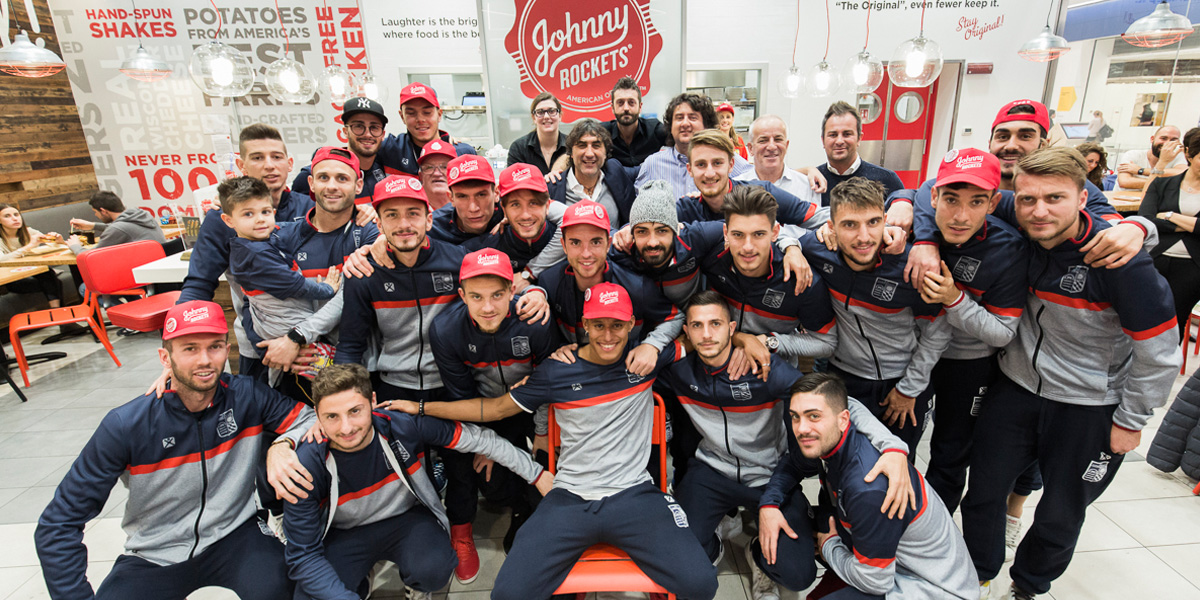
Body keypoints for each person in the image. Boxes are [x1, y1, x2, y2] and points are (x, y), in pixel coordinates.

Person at [383, 282, 721, 600]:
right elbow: (494, 409)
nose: (608, 335)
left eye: (617, 325)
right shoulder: (556, 370)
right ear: (585, 325)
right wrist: (422, 407)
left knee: (701, 582)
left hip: (634, 494)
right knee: (508, 594)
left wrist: (743, 340)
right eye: (598, 325)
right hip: (570, 497)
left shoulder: (643, 361)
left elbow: (700, 339)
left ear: (631, 325)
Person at [962, 147, 1180, 600]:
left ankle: (1027, 586)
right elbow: (933, 194)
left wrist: (1131, 420)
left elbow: (1159, 353)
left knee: (1061, 513)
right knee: (982, 493)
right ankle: (978, 575)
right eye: (1027, 199)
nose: (1039, 211)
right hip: (1017, 388)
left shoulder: (1117, 259)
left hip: (1090, 406)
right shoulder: (1022, 225)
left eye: (1054, 198)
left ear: (1083, 199)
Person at [34, 300, 317, 600]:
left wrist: (281, 444)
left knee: (293, 588)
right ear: (165, 358)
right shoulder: (127, 425)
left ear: (226, 350)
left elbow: (312, 419)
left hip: (236, 535)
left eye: (214, 347)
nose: (204, 360)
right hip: (155, 552)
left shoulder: (246, 396)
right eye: (190, 349)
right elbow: (58, 523)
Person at [660, 292, 914, 600]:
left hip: (768, 473)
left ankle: (757, 554)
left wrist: (893, 447)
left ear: (731, 327)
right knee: (676, 553)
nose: (707, 334)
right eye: (697, 326)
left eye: (715, 324)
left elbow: (835, 404)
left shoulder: (763, 366)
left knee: (797, 573)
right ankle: (716, 533)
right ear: (686, 332)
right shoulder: (679, 369)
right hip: (711, 471)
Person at [284, 363, 551, 600]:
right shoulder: (305, 463)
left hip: (405, 520)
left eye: (355, 411)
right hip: (344, 534)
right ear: (317, 414)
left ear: (373, 401)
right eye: (332, 416)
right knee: (311, 593)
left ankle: (415, 585)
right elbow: (303, 556)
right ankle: (359, 585)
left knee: (435, 567)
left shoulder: (401, 426)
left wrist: (536, 474)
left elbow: (480, 439)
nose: (346, 428)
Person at [762, 372, 979, 600]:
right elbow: (793, 464)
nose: (802, 428)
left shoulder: (868, 486)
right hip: (893, 562)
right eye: (795, 417)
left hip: (932, 588)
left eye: (813, 416)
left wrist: (830, 547)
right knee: (791, 549)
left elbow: (874, 581)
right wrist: (769, 504)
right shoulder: (833, 439)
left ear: (843, 419)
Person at [911, 148, 1037, 523]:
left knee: (950, 455)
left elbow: (1002, 333)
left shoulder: (1008, 249)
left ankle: (935, 534)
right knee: (898, 444)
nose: (961, 216)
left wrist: (953, 298)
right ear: (934, 196)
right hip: (910, 357)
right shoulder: (914, 230)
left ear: (993, 203)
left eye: (976, 202)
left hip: (970, 365)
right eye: (951, 199)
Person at [797, 178, 953, 453]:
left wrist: (909, 388)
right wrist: (790, 248)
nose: (864, 237)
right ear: (831, 227)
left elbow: (938, 331)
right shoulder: (818, 250)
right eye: (849, 225)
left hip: (901, 383)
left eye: (872, 222)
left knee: (898, 462)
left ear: (885, 221)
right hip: (844, 379)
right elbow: (780, 237)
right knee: (839, 461)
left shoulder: (909, 265)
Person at [429, 248, 561, 557]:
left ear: (512, 291)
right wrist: (486, 444)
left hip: (536, 406)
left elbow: (549, 382)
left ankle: (536, 515)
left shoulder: (534, 320)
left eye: (497, 295)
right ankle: (518, 505)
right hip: (489, 411)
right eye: (477, 297)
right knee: (490, 480)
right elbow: (463, 397)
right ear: (462, 295)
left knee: (549, 464)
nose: (488, 307)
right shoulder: (446, 330)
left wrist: (542, 432)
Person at [178, 123, 317, 378]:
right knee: (260, 403)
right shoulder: (222, 219)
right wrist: (178, 346)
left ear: (289, 163)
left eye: (276, 157)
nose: (269, 165)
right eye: (257, 158)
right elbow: (198, 284)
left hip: (313, 338)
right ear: (242, 165)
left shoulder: (310, 208)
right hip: (260, 344)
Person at [222, 175, 341, 378]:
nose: (260, 219)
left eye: (265, 212)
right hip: (285, 327)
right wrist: (327, 289)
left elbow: (288, 228)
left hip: (276, 324)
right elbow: (296, 285)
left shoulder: (257, 240)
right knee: (321, 373)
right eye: (248, 214)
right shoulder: (256, 255)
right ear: (229, 220)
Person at [538, 200, 681, 361]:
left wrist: (651, 345)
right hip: (576, 367)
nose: (586, 253)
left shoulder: (635, 286)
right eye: (576, 243)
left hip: (626, 367)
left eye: (596, 242)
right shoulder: (549, 282)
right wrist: (560, 347)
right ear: (564, 245)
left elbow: (675, 317)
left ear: (608, 244)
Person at [1140, 127, 1200, 338]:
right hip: (1155, 257)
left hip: (1193, 265)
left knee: (1175, 321)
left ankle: (1168, 359)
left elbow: (1158, 218)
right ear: (1189, 155)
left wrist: (1170, 216)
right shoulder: (1163, 184)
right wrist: (1192, 225)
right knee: (1139, 315)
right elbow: (1147, 219)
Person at [464, 162, 565, 286]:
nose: (525, 215)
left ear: (548, 206)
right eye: (515, 204)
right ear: (504, 209)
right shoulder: (485, 250)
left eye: (533, 203)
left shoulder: (569, 241)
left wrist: (529, 274)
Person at [636, 93, 754, 197]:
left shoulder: (725, 159)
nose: (685, 123)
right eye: (679, 118)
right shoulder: (652, 165)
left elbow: (755, 186)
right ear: (670, 126)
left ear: (706, 125)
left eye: (693, 118)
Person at [291, 97, 392, 202]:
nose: (367, 134)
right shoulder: (314, 174)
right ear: (345, 131)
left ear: (382, 134)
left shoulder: (388, 167)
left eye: (374, 127)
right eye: (358, 126)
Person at [546, 118, 636, 227]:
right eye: (582, 145)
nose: (589, 153)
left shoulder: (616, 173)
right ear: (571, 153)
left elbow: (632, 218)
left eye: (596, 146)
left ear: (605, 153)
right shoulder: (552, 187)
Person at [815, 101, 904, 207]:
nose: (839, 141)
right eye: (833, 135)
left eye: (847, 134)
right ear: (823, 140)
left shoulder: (887, 180)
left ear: (859, 139)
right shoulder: (812, 181)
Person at [734, 115, 820, 202]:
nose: (771, 147)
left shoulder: (808, 186)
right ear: (750, 148)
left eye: (778, 139)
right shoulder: (736, 187)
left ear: (786, 145)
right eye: (763, 140)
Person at [0, 203, 65, 308]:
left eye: (16, 214)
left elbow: (50, 244)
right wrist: (29, 246)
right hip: (11, 279)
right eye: (7, 216)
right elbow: (1, 260)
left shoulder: (28, 231)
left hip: (31, 271)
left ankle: (57, 312)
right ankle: (60, 314)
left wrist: (59, 241)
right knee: (54, 283)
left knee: (48, 274)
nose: (14, 219)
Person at [430, 154, 506, 244]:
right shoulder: (433, 229)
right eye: (462, 197)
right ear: (451, 198)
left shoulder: (509, 215)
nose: (473, 208)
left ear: (496, 193)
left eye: (481, 195)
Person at [66, 190, 166, 254]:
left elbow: (91, 256)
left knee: (87, 282)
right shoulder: (142, 215)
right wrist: (92, 226)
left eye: (95, 212)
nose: (96, 215)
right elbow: (125, 229)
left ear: (103, 211)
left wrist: (75, 246)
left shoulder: (117, 229)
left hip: (140, 272)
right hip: (158, 264)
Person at [603, 75, 667, 168]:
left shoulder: (654, 130)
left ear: (640, 107)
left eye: (631, 102)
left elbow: (681, 143)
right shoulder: (602, 133)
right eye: (620, 103)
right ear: (613, 107)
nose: (626, 108)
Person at [506, 92, 567, 175]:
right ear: (534, 118)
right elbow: (513, 180)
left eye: (552, 111)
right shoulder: (519, 148)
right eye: (540, 112)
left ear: (560, 116)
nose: (546, 116)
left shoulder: (572, 146)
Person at [1116, 125, 1187, 191]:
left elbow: (1182, 173)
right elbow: (1124, 182)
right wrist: (1166, 183)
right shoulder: (1133, 155)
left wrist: (1141, 170)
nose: (1167, 143)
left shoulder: (1179, 157)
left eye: (1173, 140)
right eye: (1163, 138)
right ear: (1152, 139)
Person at [417, 138, 457, 210]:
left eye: (444, 167)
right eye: (429, 167)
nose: (436, 173)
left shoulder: (469, 209)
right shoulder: (413, 210)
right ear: (421, 176)